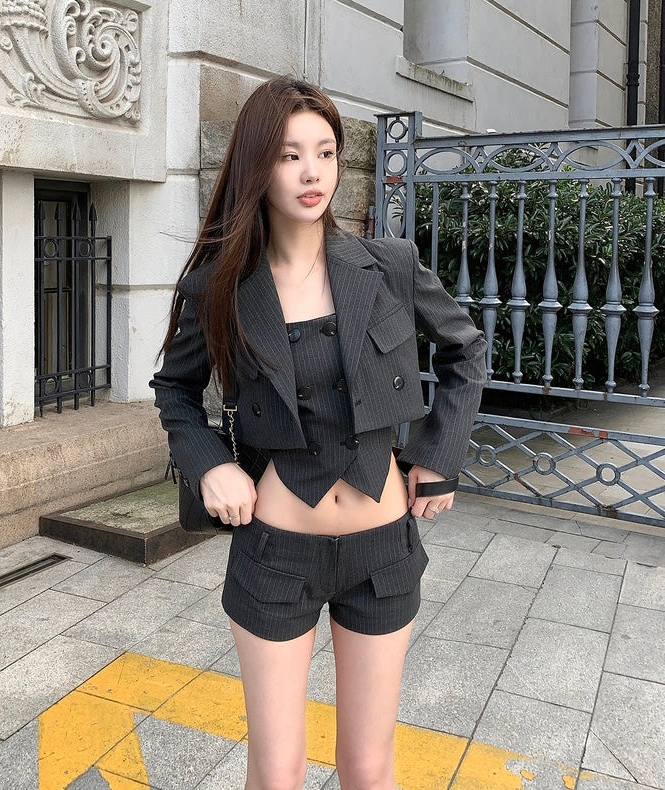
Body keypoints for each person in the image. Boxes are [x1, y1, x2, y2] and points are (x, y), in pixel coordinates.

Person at [150, 77, 486, 790]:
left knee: (367, 768)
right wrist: (210, 464)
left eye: (326, 153)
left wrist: (439, 455)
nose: (312, 172)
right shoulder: (220, 285)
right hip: (276, 555)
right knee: (278, 773)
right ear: (257, 166)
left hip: (383, 550)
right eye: (290, 154)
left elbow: (466, 349)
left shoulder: (388, 267)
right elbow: (174, 389)